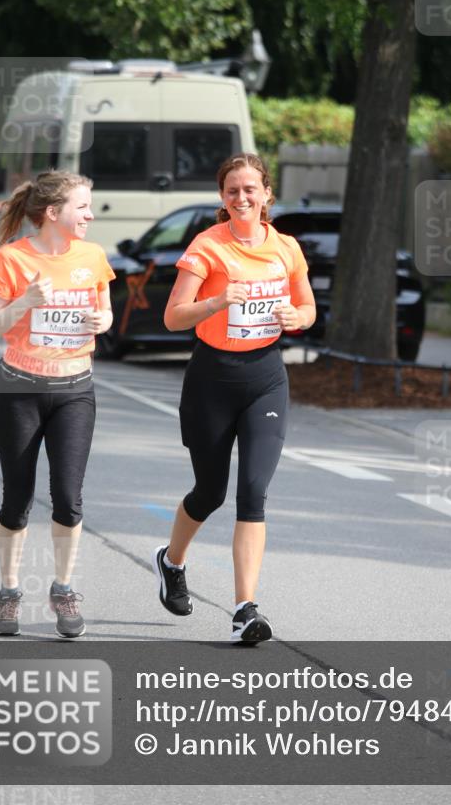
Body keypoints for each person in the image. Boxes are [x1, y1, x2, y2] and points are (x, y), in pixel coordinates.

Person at [153, 153, 316, 644]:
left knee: (253, 491)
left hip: (266, 377)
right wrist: (219, 301)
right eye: (231, 191)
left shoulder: (286, 248)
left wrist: (298, 318)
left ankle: (245, 608)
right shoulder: (208, 246)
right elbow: (174, 316)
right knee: (210, 492)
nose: (242, 198)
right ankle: (172, 561)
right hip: (212, 379)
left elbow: (306, 306)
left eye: (250, 189)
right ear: (222, 199)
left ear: (267, 193)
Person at [0, 170, 115, 639]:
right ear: (53, 213)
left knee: (68, 498)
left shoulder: (93, 256)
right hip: (19, 389)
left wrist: (102, 319)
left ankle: (63, 587)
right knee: (17, 500)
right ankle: (9, 592)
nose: (90, 215)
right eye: (82, 207)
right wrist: (27, 300)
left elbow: (107, 311)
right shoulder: (11, 259)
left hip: (75, 389)